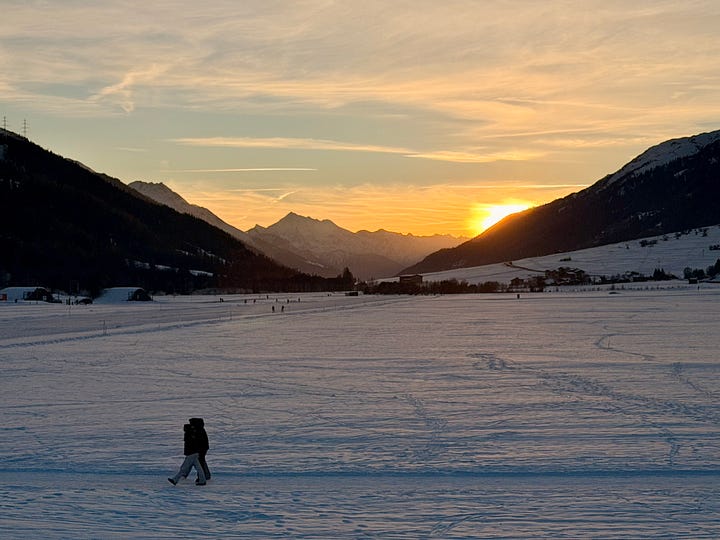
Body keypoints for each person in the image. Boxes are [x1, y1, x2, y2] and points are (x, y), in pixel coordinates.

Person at [189, 417, 211, 481]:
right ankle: (206, 475)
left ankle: (202, 476)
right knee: (202, 461)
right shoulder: (200, 429)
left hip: (201, 449)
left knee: (200, 462)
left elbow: (198, 441)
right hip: (202, 448)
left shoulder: (199, 430)